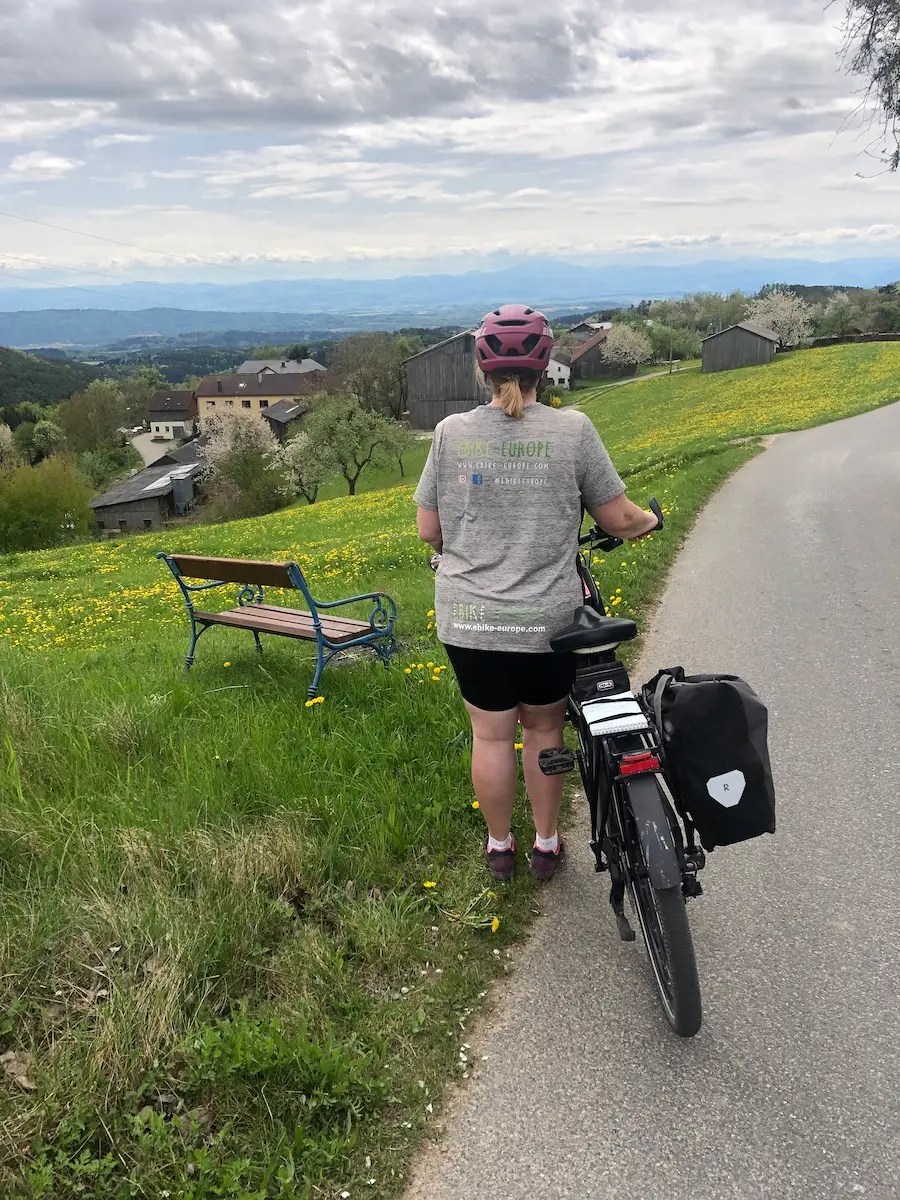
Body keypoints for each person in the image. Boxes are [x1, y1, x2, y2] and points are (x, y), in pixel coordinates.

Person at [413, 304, 659, 882]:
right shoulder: (572, 431)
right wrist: (649, 519)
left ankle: (500, 847)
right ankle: (547, 845)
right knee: (544, 730)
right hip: (546, 622)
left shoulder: (451, 434)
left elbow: (429, 530)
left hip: (469, 618)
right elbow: (619, 518)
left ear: (483, 369)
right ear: (545, 367)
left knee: (491, 734)